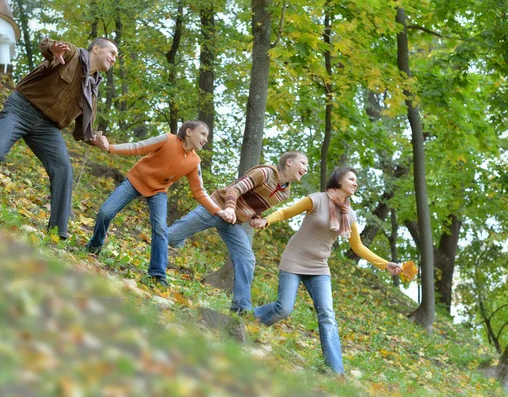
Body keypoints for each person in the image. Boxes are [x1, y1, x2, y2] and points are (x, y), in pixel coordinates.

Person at [0, 37, 119, 239]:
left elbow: (81, 131)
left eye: (115, 56)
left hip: (48, 128)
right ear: (96, 49)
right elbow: (47, 45)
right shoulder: (72, 54)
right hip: (22, 109)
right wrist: (53, 49)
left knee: (63, 169)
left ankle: (57, 233)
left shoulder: (92, 91)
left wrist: (94, 138)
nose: (113, 59)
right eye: (111, 53)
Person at [251, 166, 402, 375]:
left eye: (356, 180)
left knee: (327, 315)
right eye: (352, 178)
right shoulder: (317, 199)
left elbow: (357, 247)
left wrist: (385, 264)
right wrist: (267, 220)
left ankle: (335, 371)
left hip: (319, 267)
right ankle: (248, 318)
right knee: (284, 309)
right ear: (338, 180)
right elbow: (286, 211)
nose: (355, 183)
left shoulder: (349, 214)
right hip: (294, 260)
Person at [88, 120, 231, 288]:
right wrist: (110, 148)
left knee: (161, 228)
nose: (205, 139)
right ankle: (94, 246)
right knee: (105, 212)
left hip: (158, 191)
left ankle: (157, 274)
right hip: (135, 181)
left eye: (207, 136)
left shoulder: (194, 161)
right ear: (189, 132)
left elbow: (199, 191)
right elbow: (137, 147)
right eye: (203, 134)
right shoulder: (167, 139)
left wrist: (217, 211)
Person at [168, 152, 308, 314]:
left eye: (307, 165)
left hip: (233, 221)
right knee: (171, 237)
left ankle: (241, 308)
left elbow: (258, 205)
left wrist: (257, 218)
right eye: (303, 163)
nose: (306, 168)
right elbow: (234, 190)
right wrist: (228, 208)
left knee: (247, 259)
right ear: (289, 162)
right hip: (216, 207)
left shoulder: (284, 193)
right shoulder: (264, 173)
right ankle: (177, 241)